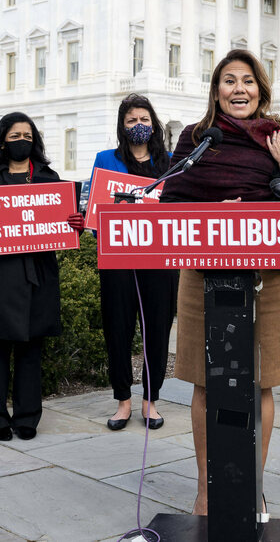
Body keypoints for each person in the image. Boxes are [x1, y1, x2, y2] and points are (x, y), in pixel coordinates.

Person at [159, 49, 280, 515]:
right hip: (201, 278)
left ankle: (252, 486)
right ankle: (207, 490)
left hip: (264, 280)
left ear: (262, 89)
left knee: (261, 383)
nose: (239, 89)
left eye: (248, 81)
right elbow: (171, 201)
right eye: (229, 81)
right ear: (216, 90)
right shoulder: (196, 139)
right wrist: (217, 217)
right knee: (203, 384)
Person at [0, 112, 84, 442]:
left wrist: (75, 224)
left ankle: (28, 416)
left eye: (28, 135)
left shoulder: (48, 176)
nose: (22, 141)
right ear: (2, 140)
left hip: (36, 275)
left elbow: (63, 221)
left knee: (31, 349)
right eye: (15, 136)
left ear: (35, 141)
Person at [89, 94, 177, 431]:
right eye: (131, 121)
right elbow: (95, 210)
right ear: (122, 127)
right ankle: (123, 401)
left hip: (159, 261)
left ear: (153, 124)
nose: (138, 126)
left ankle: (150, 402)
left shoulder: (170, 162)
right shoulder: (105, 160)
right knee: (118, 329)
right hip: (119, 260)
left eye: (143, 119)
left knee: (156, 329)